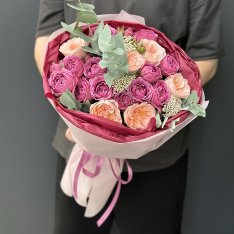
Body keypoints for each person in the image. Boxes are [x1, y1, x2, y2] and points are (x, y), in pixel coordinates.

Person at [34, 0, 224, 233]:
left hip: (156, 158)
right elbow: (46, 40)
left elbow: (205, 56)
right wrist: (77, 114)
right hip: (78, 150)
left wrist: (157, 107)